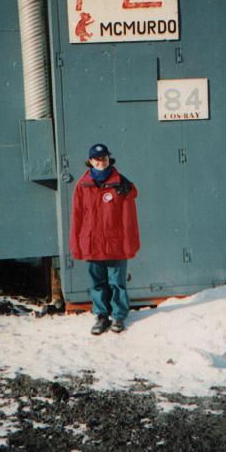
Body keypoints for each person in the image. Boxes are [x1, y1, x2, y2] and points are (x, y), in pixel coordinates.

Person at [69, 143, 140, 334]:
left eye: (105, 158)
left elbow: (129, 216)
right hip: (91, 243)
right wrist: (76, 244)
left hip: (115, 243)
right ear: (90, 161)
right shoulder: (82, 186)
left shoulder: (120, 184)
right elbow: (77, 217)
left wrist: (130, 243)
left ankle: (118, 316)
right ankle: (101, 316)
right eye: (97, 159)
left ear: (109, 160)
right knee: (97, 283)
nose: (101, 162)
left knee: (117, 283)